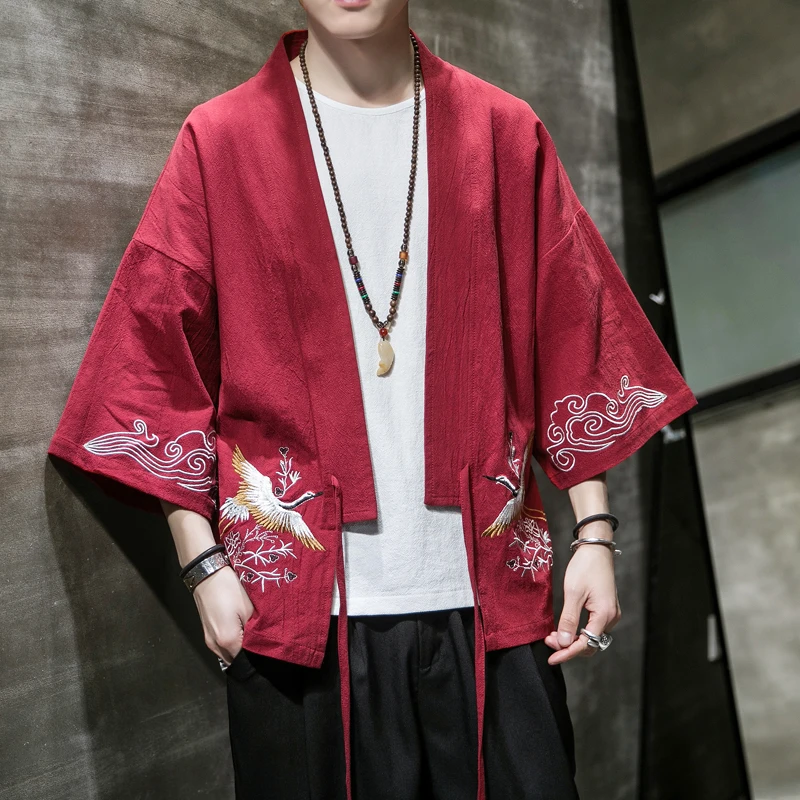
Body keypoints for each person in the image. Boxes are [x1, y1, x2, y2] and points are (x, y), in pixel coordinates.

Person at [47, 1, 698, 798]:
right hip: (295, 621)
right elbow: (154, 361)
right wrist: (202, 564)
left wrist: (594, 533)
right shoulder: (223, 140)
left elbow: (566, 330)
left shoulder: (501, 131)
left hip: (490, 605)